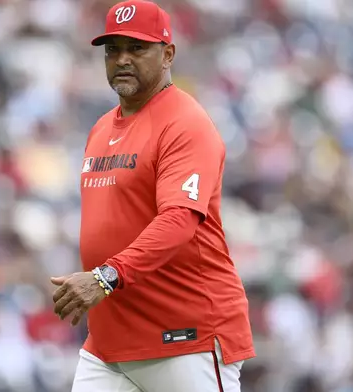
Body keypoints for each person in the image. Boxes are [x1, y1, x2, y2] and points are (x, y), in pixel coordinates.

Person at [50, 1, 255, 390]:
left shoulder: (185, 123)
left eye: (137, 48)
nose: (122, 59)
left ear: (168, 54)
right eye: (113, 50)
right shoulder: (100, 129)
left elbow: (179, 219)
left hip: (184, 338)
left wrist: (105, 278)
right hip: (109, 345)